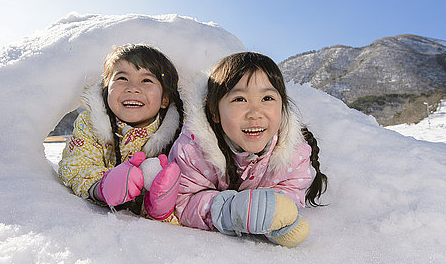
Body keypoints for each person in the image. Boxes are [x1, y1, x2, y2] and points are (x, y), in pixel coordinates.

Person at [169, 52, 328, 247]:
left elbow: (290, 196)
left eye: (267, 98)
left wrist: (272, 217)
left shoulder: (293, 154)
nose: (255, 113)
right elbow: (183, 201)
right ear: (214, 111)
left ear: (282, 106)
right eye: (240, 99)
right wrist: (232, 211)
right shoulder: (193, 149)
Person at [58, 44, 184, 223]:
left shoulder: (180, 135)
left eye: (146, 80)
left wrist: (163, 208)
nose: (132, 88)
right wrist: (101, 187)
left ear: (165, 99)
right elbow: (76, 166)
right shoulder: (91, 123)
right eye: (122, 78)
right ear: (106, 88)